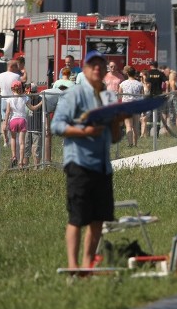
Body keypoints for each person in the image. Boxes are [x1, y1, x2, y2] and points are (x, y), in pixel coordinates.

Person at [51, 50, 126, 271]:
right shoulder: (74, 95)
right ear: (84, 70)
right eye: (92, 65)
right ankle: (73, 267)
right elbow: (57, 126)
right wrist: (84, 131)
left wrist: (116, 122)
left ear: (105, 70)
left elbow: (114, 138)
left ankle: (87, 266)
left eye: (100, 65)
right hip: (79, 164)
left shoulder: (108, 97)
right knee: (77, 217)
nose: (97, 69)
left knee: (98, 219)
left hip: (103, 166)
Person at [4, 80, 37, 168]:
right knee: (22, 142)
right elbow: (32, 108)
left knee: (13, 139)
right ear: (21, 88)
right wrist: (41, 103)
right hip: (22, 120)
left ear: (12, 88)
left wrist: (5, 122)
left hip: (13, 120)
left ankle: (14, 156)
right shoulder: (25, 98)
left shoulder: (9, 98)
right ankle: (21, 162)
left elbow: (7, 112)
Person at [0, 59, 21, 147]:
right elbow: (19, 89)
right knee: (12, 119)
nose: (17, 68)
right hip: (13, 100)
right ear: (11, 66)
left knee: (4, 120)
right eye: (16, 66)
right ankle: (13, 138)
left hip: (2, 99)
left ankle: (5, 140)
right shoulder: (16, 76)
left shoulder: (0, 75)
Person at [118, 66, 144, 147]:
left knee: (128, 126)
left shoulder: (122, 84)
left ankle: (130, 144)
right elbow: (142, 96)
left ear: (127, 73)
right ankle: (135, 144)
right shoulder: (140, 84)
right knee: (136, 126)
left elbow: (119, 96)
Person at [23, 83, 44, 168]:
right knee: (26, 148)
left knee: (36, 149)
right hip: (27, 128)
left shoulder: (41, 99)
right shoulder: (26, 99)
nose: (28, 94)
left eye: (30, 92)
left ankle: (37, 167)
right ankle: (25, 166)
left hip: (37, 128)